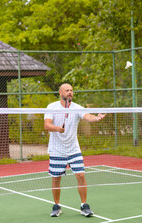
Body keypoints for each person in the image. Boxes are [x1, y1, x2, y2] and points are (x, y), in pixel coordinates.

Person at [44, 83, 106, 217]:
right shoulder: (52, 107)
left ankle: (84, 205)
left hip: (73, 149)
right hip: (56, 150)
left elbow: (87, 116)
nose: (70, 92)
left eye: (71, 90)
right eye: (67, 90)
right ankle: (56, 206)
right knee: (56, 179)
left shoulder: (77, 108)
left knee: (81, 175)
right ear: (60, 93)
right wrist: (57, 129)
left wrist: (96, 118)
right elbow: (47, 125)